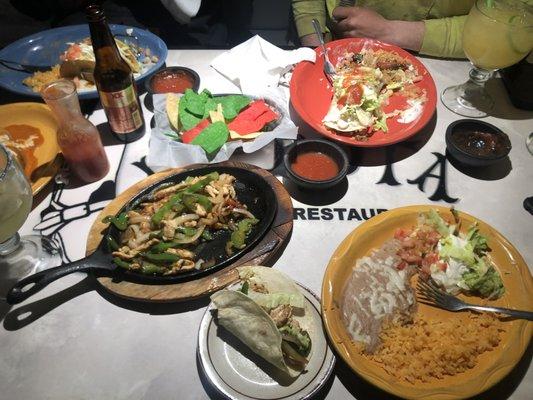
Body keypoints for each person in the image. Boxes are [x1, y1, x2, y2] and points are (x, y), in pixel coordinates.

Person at [292, 0, 477, 58]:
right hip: (330, 41)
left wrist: (387, 31)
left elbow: (500, 30)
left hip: (436, 58)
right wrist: (315, 47)